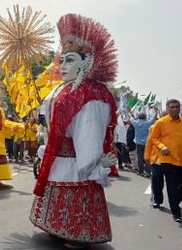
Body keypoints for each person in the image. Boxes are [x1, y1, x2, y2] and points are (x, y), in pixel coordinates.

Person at [30, 13, 118, 248]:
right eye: (62, 60)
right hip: (56, 158)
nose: (63, 66)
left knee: (75, 196)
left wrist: (90, 164)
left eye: (70, 60)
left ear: (87, 62)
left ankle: (75, 232)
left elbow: (88, 134)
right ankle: (55, 227)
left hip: (75, 162)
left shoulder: (90, 94)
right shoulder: (63, 89)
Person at [149, 100, 182, 222]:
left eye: (177, 107)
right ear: (167, 108)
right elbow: (153, 139)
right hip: (168, 160)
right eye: (172, 107)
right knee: (171, 186)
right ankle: (175, 212)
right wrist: (162, 147)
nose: (175, 109)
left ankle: (175, 201)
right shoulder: (161, 122)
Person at [131, 112, 156, 177]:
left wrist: (130, 112)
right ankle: (148, 172)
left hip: (138, 143)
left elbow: (131, 118)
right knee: (147, 157)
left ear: (138, 117)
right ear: (145, 117)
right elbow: (154, 119)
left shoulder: (136, 123)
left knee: (140, 157)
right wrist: (156, 112)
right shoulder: (147, 123)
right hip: (147, 143)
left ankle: (141, 171)